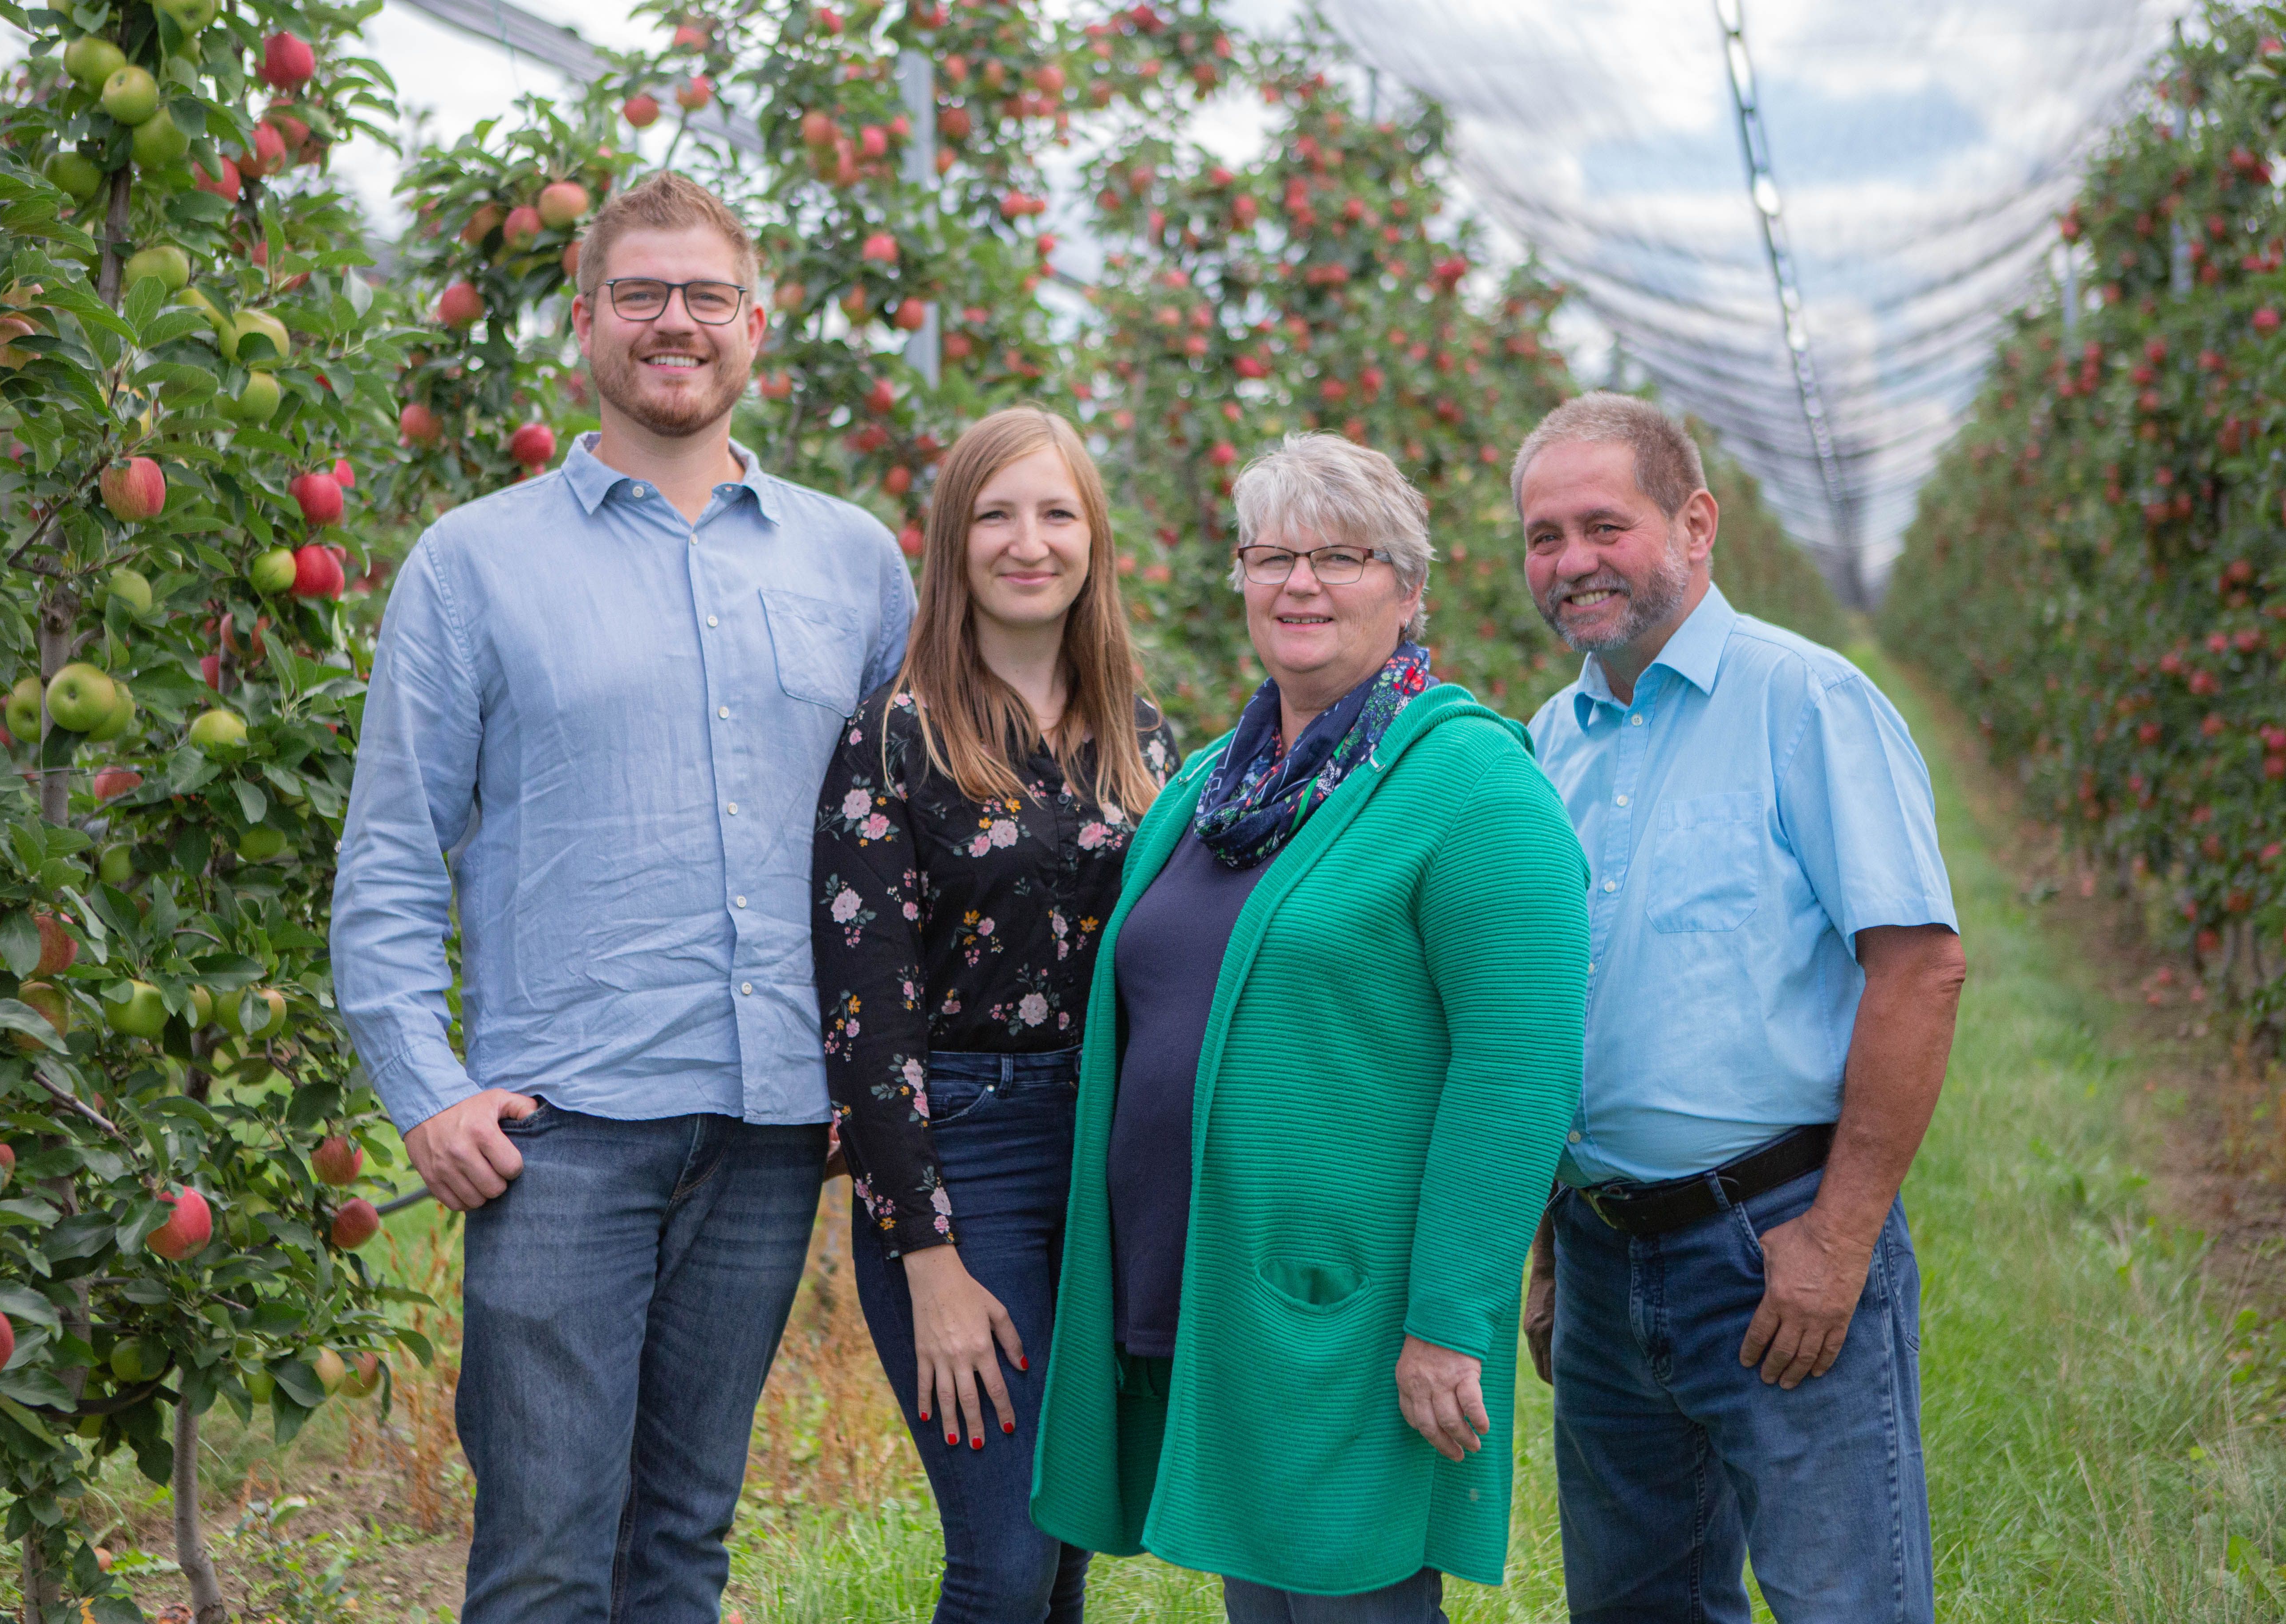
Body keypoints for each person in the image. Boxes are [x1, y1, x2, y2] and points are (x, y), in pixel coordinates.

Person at [330, 172, 915, 1624]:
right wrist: (425, 1088)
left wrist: (882, 1073)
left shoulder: (854, 562)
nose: (676, 323)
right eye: (641, 295)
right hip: (559, 1135)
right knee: (541, 1562)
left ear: (757, 324)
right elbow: (392, 850)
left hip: (780, 1129)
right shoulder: (474, 563)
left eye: (707, 295)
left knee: (682, 1551)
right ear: (584, 321)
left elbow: (900, 845)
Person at [1029, 433, 1590, 1623]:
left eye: (1343, 556)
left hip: (1357, 1306)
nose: (1300, 583)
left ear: (1411, 589)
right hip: (1229, 1288)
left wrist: (1452, 1320)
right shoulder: (1209, 790)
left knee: (1354, 1602)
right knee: (1269, 1604)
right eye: (1272, 554)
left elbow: (1518, 1070)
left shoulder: (1473, 787)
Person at [1515, 393, 1966, 1624]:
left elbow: (1920, 967)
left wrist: (1840, 1238)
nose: (1572, 563)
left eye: (1604, 525)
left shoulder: (1805, 704)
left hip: (1773, 1239)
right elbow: (1560, 1012)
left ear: (1696, 521)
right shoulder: (1550, 744)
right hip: (1608, 1262)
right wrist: (1553, 1246)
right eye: (1544, 538)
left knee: (1841, 1600)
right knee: (1636, 1607)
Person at [813, 406, 1177, 1624]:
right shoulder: (894, 740)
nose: (1031, 542)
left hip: (1107, 1159)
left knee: (1066, 1545)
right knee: (1005, 1562)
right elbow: (866, 1017)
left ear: (1095, 540)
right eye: (997, 513)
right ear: (954, 543)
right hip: (966, 1153)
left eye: (1058, 512)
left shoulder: (1146, 744)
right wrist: (929, 1257)